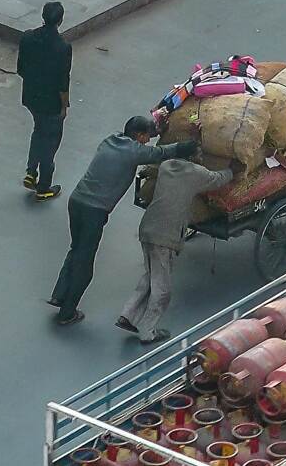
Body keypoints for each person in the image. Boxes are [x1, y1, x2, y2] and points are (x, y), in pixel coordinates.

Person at [51, 117, 198, 326]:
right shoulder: (135, 152)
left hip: (76, 201)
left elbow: (143, 142)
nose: (147, 141)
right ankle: (68, 312)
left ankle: (59, 294)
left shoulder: (110, 140)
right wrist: (194, 140)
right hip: (95, 210)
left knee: (76, 249)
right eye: (146, 137)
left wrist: (157, 130)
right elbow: (165, 153)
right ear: (139, 136)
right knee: (85, 262)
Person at [118, 155, 233, 344]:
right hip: (165, 235)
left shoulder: (166, 166)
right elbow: (217, 179)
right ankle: (147, 331)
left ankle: (128, 315)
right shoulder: (196, 173)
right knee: (162, 289)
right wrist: (232, 170)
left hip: (147, 228)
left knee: (151, 274)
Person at [18, 1, 72, 201]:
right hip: (51, 103)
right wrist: (64, 106)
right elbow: (62, 81)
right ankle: (44, 186)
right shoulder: (63, 47)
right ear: (60, 20)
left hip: (31, 97)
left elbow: (21, 69)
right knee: (50, 141)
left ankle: (31, 172)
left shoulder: (27, 38)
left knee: (39, 131)